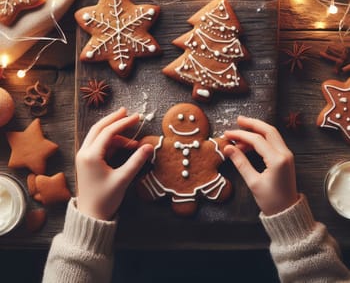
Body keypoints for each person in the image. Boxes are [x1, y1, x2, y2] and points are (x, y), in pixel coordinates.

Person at [42, 108, 350, 282]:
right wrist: (292, 224)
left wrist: (90, 220)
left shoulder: (205, 147)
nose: (186, 122)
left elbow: (216, 151)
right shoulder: (158, 145)